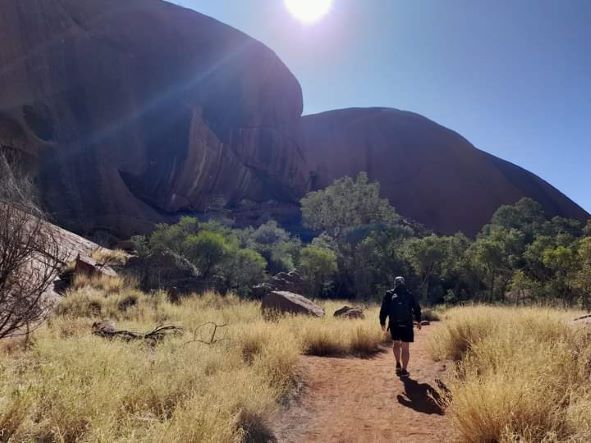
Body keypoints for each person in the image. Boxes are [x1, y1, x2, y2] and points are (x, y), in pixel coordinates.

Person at [379, 276, 422, 377]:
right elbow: (416, 308)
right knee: (405, 348)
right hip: (407, 324)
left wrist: (382, 322)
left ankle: (398, 363)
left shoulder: (389, 294)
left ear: (395, 283)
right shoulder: (409, 294)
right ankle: (404, 370)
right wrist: (419, 321)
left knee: (396, 344)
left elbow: (384, 309)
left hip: (394, 323)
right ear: (404, 283)